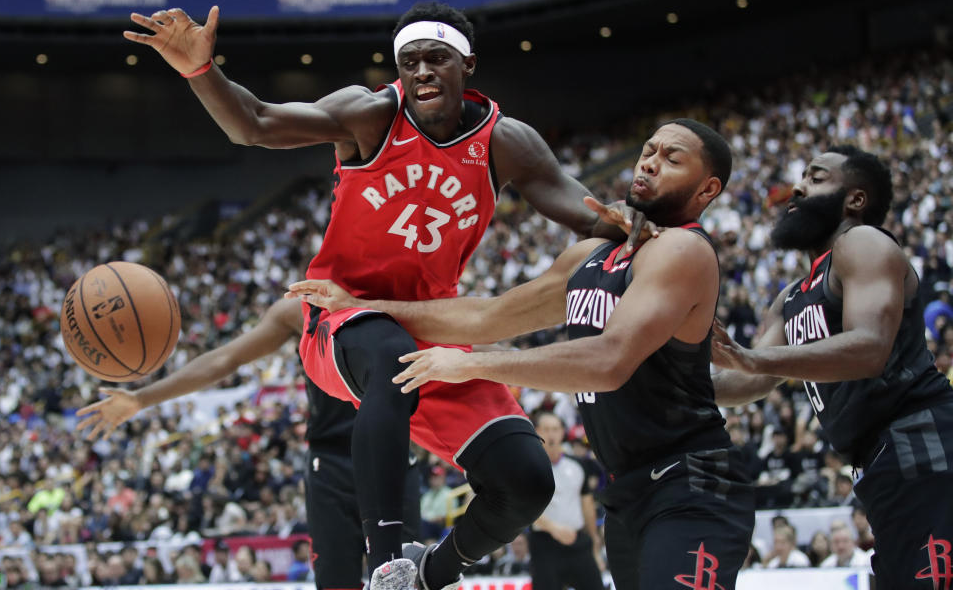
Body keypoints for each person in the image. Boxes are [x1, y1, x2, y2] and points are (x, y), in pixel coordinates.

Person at [123, 0, 642, 590]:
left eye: (437, 58)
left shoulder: (505, 141)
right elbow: (255, 123)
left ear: (466, 63)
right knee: (388, 354)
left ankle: (429, 573)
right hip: (338, 315)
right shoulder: (369, 115)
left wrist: (627, 219)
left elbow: (588, 215)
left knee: (526, 479)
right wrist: (200, 70)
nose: (422, 71)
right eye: (410, 61)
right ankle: (388, 563)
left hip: (434, 326)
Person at [292, 119, 756, 588]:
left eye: (672, 159)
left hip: (690, 483)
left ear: (707, 189)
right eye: (649, 150)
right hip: (629, 489)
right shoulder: (592, 255)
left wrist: (471, 363)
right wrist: (363, 306)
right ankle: (429, 571)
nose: (651, 162)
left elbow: (607, 362)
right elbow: (487, 316)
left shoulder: (683, 249)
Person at [710, 145, 953, 586]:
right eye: (801, 176)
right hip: (881, 461)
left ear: (855, 200)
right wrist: (659, 377)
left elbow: (869, 347)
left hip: (923, 443)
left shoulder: (861, 243)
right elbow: (748, 380)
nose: (798, 187)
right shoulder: (792, 296)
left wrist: (750, 356)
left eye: (817, 177)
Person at [76, 297, 422, 590]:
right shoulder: (300, 308)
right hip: (330, 463)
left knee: (406, 579)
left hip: (390, 456)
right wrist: (141, 399)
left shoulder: (402, 299)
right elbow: (225, 359)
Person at [528, 411, 603, 590]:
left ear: (562, 432)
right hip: (544, 544)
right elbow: (524, 509)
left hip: (578, 542)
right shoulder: (528, 467)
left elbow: (587, 506)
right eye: (545, 429)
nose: (551, 434)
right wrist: (554, 528)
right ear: (537, 432)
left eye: (555, 429)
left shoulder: (578, 465)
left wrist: (594, 545)